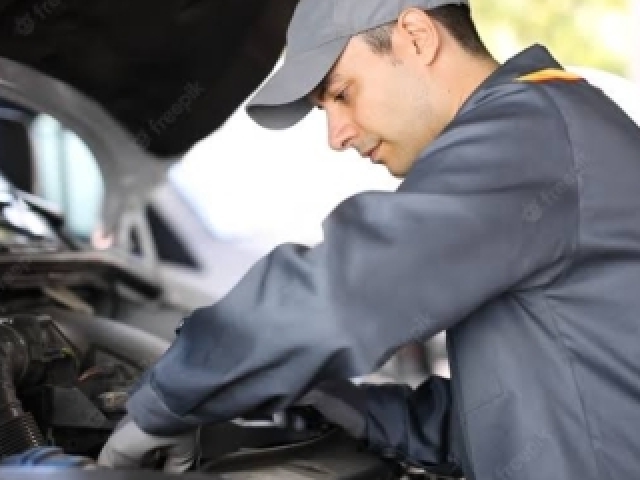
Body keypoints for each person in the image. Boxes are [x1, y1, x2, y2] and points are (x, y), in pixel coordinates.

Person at [99, 0, 640, 478]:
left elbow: (339, 296)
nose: (337, 136)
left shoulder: (528, 133)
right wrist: (354, 409)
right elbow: (537, 412)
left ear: (416, 36)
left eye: (341, 93)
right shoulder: (553, 123)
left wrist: (168, 398)